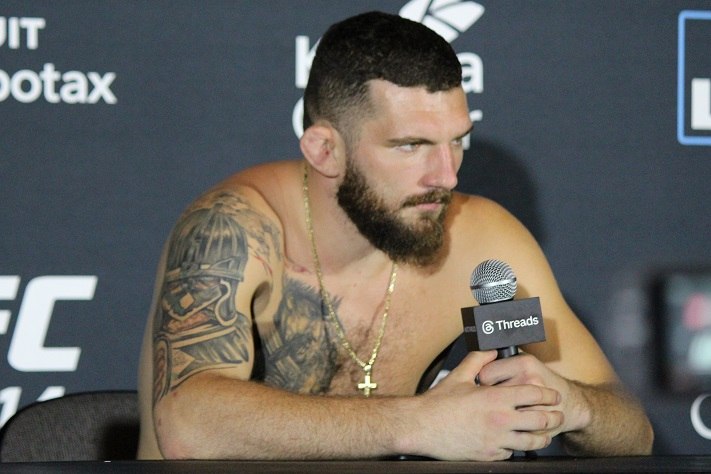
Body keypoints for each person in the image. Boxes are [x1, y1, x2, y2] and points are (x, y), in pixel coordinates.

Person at [137, 11, 653, 461]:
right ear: (324, 150)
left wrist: (571, 405)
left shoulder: (479, 238)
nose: (446, 175)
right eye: (411, 146)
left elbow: (634, 433)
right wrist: (424, 423)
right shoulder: (235, 227)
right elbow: (187, 426)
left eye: (457, 142)